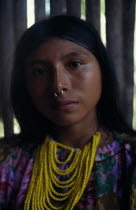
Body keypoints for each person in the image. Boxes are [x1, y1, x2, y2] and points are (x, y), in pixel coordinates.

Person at [0, 15, 136, 210]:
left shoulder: (130, 161)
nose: (58, 85)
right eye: (39, 71)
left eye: (74, 64)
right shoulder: (7, 160)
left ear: (102, 70)